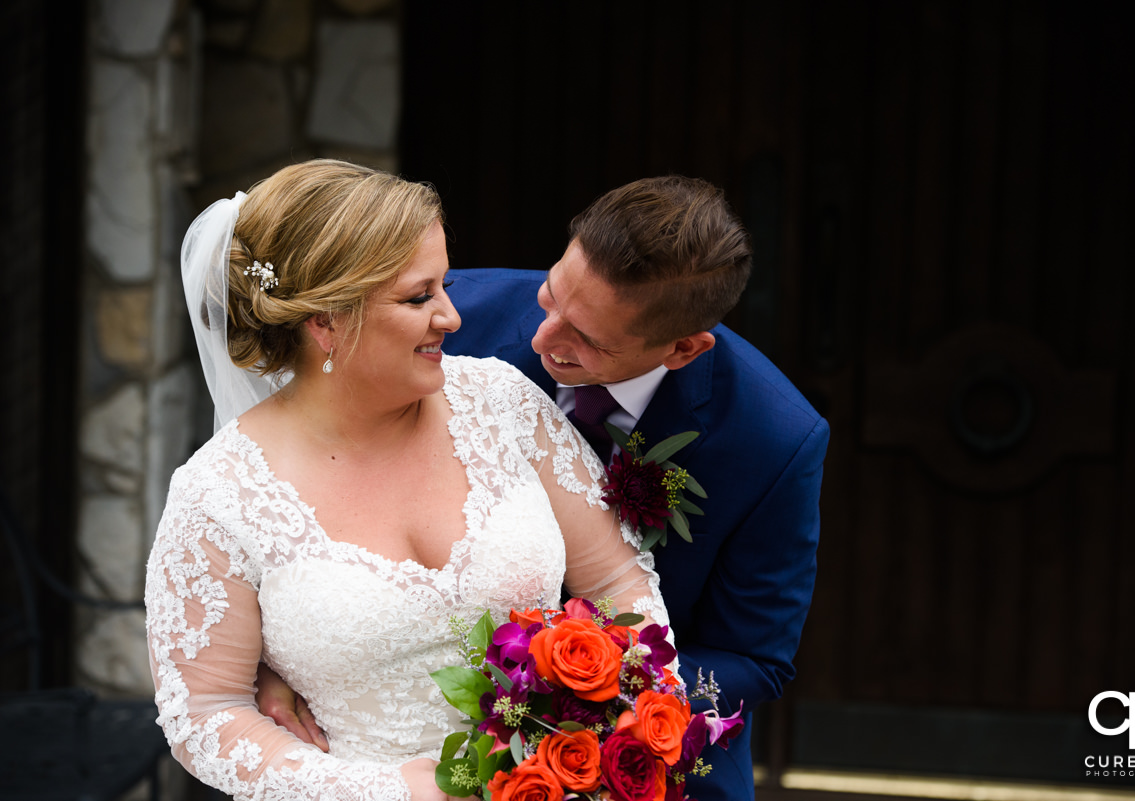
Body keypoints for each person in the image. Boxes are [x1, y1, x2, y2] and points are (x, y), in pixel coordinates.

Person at [259, 175, 830, 800]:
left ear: (682, 349)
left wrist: (578, 699)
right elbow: (294, 472)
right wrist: (284, 656)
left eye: (586, 342)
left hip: (636, 765)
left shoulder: (774, 439)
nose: (542, 338)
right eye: (552, 295)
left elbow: (754, 657)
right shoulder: (446, 318)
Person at [145, 159, 670, 801]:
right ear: (326, 321)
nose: (451, 316)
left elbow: (618, 581)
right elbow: (205, 713)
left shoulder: (503, 403)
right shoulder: (219, 493)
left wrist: (624, 725)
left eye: (445, 286)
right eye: (420, 297)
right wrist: (375, 790)